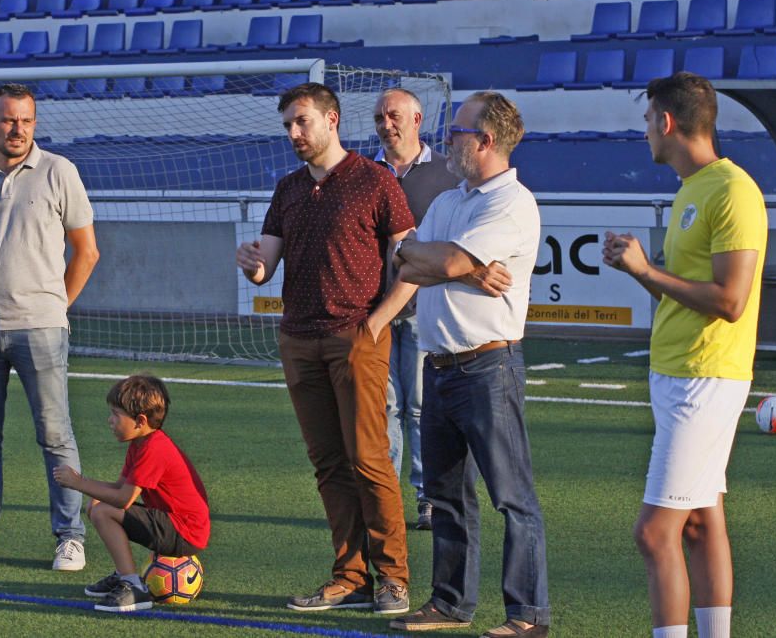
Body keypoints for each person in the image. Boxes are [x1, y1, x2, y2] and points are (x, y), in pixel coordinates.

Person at [235, 82, 416, 615]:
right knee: (328, 464)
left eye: (301, 122)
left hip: (354, 337)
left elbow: (412, 261)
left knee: (369, 459)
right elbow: (267, 262)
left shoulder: (375, 181)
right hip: (298, 338)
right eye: (288, 125)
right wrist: (254, 263)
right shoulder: (288, 188)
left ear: (332, 120)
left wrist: (378, 323)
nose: (293, 133)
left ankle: (394, 578)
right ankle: (350, 577)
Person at [602, 72, 767, 638]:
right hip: (681, 372)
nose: (645, 131)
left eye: (648, 120)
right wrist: (641, 270)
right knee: (699, 521)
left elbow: (730, 301)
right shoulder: (691, 189)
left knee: (653, 532)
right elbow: (686, 291)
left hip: (705, 376)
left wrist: (649, 270)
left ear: (667, 122)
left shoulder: (732, 190)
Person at [390, 91, 551, 638]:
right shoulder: (450, 201)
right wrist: (459, 268)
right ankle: (451, 603)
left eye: (457, 131)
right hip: (440, 366)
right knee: (445, 495)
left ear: (484, 141)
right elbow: (404, 259)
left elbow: (438, 258)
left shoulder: (512, 202)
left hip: (487, 366)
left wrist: (451, 263)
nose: (447, 140)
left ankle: (528, 616)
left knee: (512, 496)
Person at [0, 83, 100, 571]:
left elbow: (87, 251)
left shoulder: (59, 172)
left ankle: (70, 537)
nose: (18, 129)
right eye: (8, 120)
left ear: (35, 123)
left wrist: (53, 306)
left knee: (55, 435)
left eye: (26, 120)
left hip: (42, 330)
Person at [373, 88, 459, 531]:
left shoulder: (448, 172)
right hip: (380, 312)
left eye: (394, 116)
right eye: (379, 119)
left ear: (418, 118)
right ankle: (386, 498)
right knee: (385, 407)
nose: (387, 125)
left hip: (428, 309)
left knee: (423, 408)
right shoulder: (365, 174)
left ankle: (428, 497)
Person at [53, 375, 210, 613]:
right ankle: (123, 574)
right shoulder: (140, 444)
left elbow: (123, 499)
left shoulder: (155, 448)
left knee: (104, 510)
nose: (110, 420)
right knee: (97, 504)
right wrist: (87, 487)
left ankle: (133, 586)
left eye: (116, 414)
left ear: (140, 420)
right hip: (175, 523)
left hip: (185, 532)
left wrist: (79, 483)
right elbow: (119, 488)